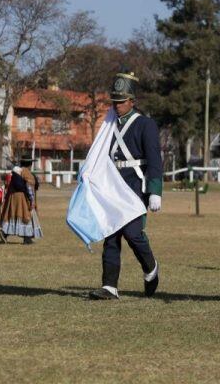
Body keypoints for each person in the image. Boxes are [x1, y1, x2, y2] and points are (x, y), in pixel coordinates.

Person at [89, 72, 163, 300]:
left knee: (133, 234)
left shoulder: (145, 124)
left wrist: (155, 191)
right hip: (112, 186)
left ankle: (151, 267)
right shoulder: (109, 125)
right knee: (111, 235)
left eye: (121, 101)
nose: (117, 105)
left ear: (132, 101)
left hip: (134, 186)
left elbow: (154, 160)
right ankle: (109, 285)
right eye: (115, 101)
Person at [0, 156, 43, 244]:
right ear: (30, 164)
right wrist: (32, 200)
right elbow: (29, 187)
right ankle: (26, 239)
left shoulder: (16, 172)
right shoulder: (26, 172)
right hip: (22, 198)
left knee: (14, 217)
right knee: (26, 217)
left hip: (12, 197)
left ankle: (4, 233)